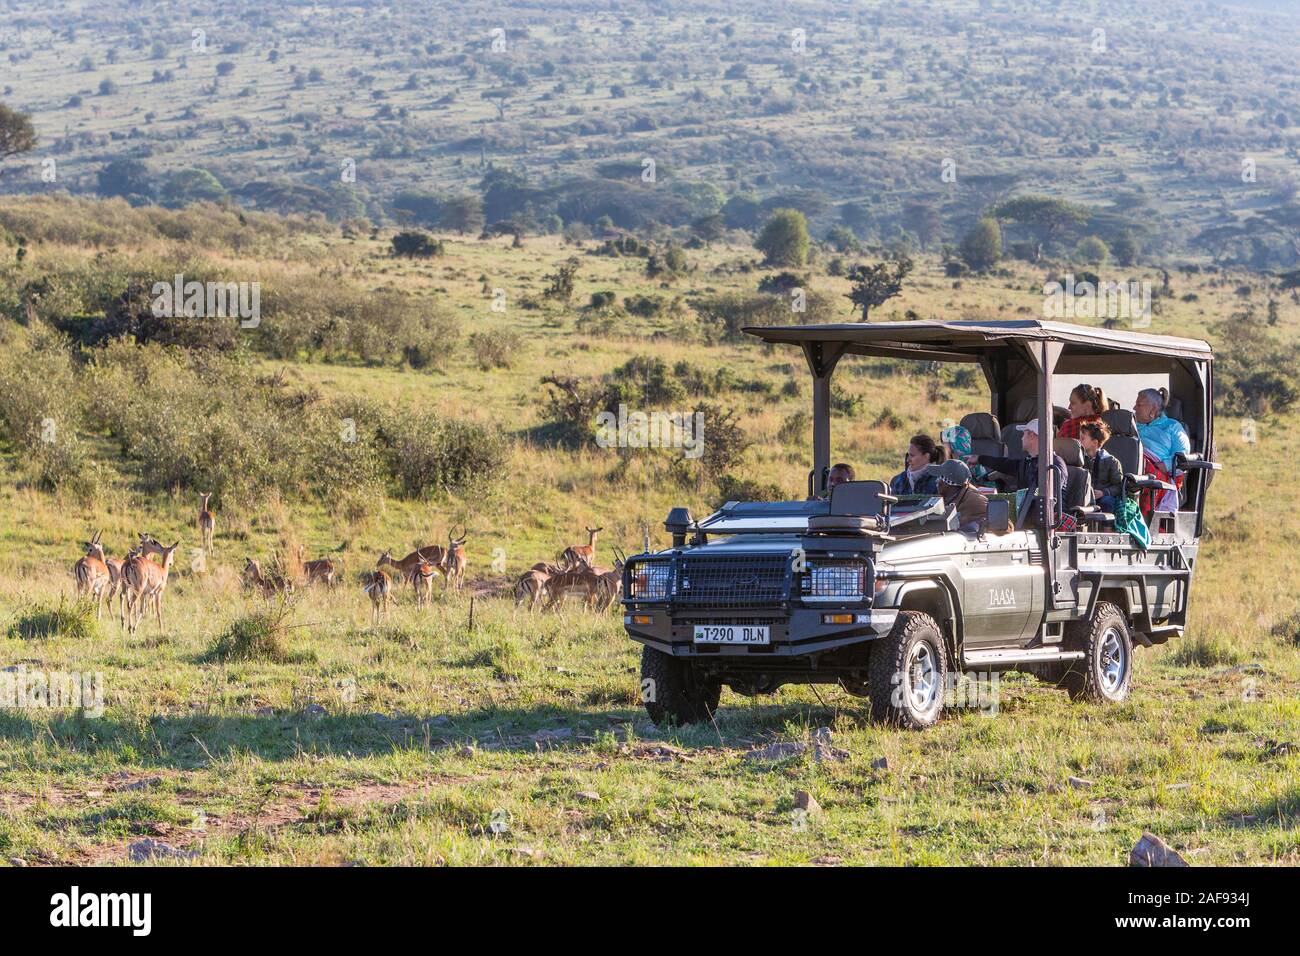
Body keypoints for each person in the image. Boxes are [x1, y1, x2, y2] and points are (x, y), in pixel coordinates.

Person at [966, 419, 1067, 528]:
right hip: (1026, 519)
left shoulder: (1054, 464)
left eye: (1024, 434)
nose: (1021, 438)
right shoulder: (1029, 461)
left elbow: (1048, 500)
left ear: (1032, 436)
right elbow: (1006, 464)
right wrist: (980, 459)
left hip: (1047, 526)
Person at [923, 459, 989, 534]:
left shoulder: (976, 500)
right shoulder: (949, 496)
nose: (937, 481)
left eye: (940, 478)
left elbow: (989, 525)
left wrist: (965, 525)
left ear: (948, 483)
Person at [1133, 388, 1190, 471]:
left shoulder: (1173, 426)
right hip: (1132, 471)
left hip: (1159, 477)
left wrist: (1166, 465)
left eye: (1139, 405)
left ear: (1153, 409)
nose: (1134, 408)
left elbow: (1182, 455)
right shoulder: (1131, 426)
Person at [1078, 421, 1123, 512]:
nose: (1079, 441)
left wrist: (1104, 492)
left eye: (1083, 439)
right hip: (1085, 495)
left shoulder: (1111, 461)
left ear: (1094, 442)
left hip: (1103, 496)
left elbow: (1119, 486)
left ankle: (1108, 526)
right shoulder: (1079, 459)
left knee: (1107, 502)